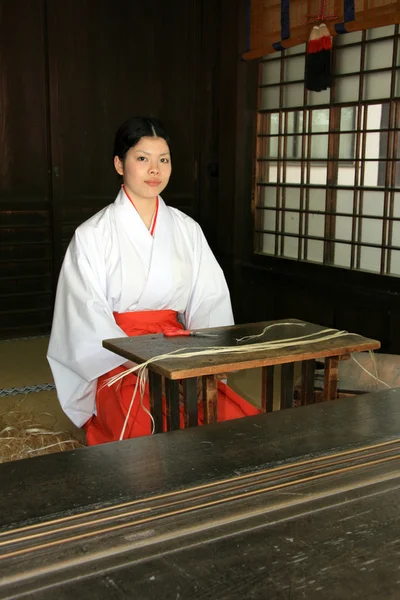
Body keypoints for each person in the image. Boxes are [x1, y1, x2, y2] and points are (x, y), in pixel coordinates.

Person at [47, 117, 260, 445]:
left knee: (231, 428)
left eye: (164, 160)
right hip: (120, 359)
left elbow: (209, 299)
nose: (155, 170)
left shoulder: (187, 229)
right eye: (142, 158)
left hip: (180, 353)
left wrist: (204, 359)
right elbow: (84, 312)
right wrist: (138, 358)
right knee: (145, 437)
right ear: (119, 164)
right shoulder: (92, 235)